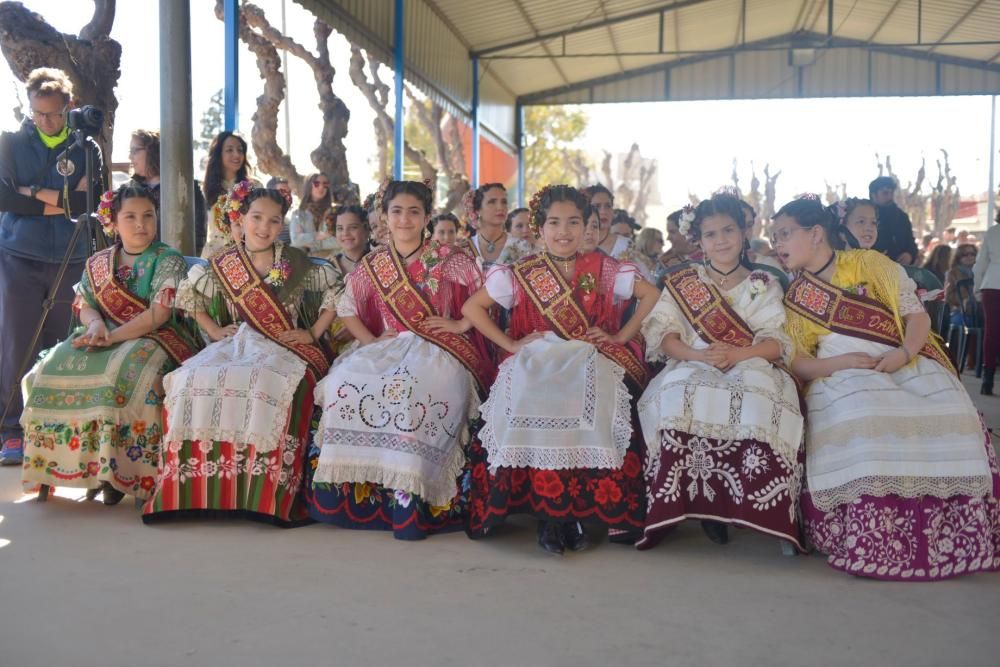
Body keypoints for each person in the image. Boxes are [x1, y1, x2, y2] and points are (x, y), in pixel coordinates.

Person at [775, 196, 999, 581]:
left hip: (901, 358)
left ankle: (955, 534)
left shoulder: (870, 263)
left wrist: (905, 352)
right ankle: (875, 538)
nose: (777, 243)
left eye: (784, 234)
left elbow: (915, 316)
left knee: (951, 406)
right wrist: (839, 363)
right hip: (840, 372)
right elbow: (798, 361)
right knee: (866, 413)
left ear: (815, 234)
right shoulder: (797, 297)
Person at [461, 184, 660, 554]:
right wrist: (510, 345)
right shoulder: (520, 273)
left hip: (589, 356)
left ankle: (580, 511)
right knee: (532, 394)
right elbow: (472, 308)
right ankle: (550, 516)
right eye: (554, 222)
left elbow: (651, 295)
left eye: (573, 222)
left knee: (593, 397)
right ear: (540, 228)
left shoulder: (604, 268)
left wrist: (620, 336)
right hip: (537, 359)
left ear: (587, 225)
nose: (564, 231)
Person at [308, 180, 494, 539]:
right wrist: (370, 339)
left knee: (412, 391)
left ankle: (414, 501)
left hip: (438, 347)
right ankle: (361, 494)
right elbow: (346, 307)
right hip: (388, 347)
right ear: (384, 216)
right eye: (396, 211)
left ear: (426, 216)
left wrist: (460, 323)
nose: (404, 219)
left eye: (414, 212)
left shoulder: (451, 259)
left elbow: (485, 296)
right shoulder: (374, 264)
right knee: (344, 382)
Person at [143, 183, 337, 526]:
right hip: (235, 343)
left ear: (282, 225)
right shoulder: (222, 264)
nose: (264, 227)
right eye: (257, 218)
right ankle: (190, 490)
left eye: (274, 221)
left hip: (282, 344)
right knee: (190, 378)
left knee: (264, 380)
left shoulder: (294, 261)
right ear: (241, 219)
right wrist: (215, 331)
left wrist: (313, 332)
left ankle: (264, 495)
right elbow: (189, 300)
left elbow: (338, 291)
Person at [636, 193, 803, 550]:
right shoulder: (683, 282)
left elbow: (776, 341)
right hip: (693, 359)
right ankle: (689, 507)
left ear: (744, 233)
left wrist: (740, 353)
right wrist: (696, 355)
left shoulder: (765, 282)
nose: (722, 240)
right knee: (680, 390)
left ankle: (759, 510)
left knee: (758, 395)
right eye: (711, 234)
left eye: (729, 230)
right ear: (699, 240)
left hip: (750, 359)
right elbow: (663, 333)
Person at [20, 184, 200, 503]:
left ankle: (123, 475)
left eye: (148, 215)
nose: (140, 224)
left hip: (157, 336)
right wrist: (96, 324)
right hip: (103, 333)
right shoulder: (99, 262)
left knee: (125, 377)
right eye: (130, 216)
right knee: (44, 372)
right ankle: (57, 466)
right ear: (113, 222)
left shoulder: (167, 259)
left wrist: (112, 336)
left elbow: (159, 314)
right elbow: (85, 301)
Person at [0, 68, 104, 466]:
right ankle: (12, 430)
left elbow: (86, 205)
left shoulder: (86, 148)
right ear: (29, 109)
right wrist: (57, 199)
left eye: (54, 114)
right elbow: (6, 199)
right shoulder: (9, 143)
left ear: (68, 108)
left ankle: (54, 428)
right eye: (39, 114)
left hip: (70, 256)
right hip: (17, 256)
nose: (47, 121)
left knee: (60, 346)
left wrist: (30, 191)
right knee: (16, 343)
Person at [130, 129, 206, 242]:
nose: (130, 157)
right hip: (139, 259)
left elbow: (199, 235)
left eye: (134, 151)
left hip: (177, 257)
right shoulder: (128, 190)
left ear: (152, 151)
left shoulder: (188, 187)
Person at [200, 132, 257, 258]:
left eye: (240, 150)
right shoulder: (205, 189)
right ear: (218, 154)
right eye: (229, 150)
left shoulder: (254, 186)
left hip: (246, 251)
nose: (236, 155)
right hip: (215, 253)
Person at [974, 211, 1000, 395]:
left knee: (992, 333)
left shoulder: (992, 232)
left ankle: (987, 380)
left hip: (991, 285)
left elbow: (980, 264)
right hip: (992, 284)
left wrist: (977, 288)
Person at [289, 173, 340, 260]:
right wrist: (321, 235)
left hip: (332, 261)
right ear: (309, 186)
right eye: (316, 183)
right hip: (306, 264)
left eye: (325, 184)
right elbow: (296, 240)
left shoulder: (336, 212)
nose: (321, 187)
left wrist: (308, 240)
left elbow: (340, 241)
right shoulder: (298, 214)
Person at [869, 176, 918, 264]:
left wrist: (910, 255)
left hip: (899, 270)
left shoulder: (901, 217)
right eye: (885, 193)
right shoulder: (864, 217)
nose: (889, 197)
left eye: (891, 193)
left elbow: (911, 243)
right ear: (874, 195)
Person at [266, 176, 293, 245]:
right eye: (282, 192)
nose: (288, 196)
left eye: (289, 192)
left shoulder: (289, 222)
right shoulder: (261, 220)